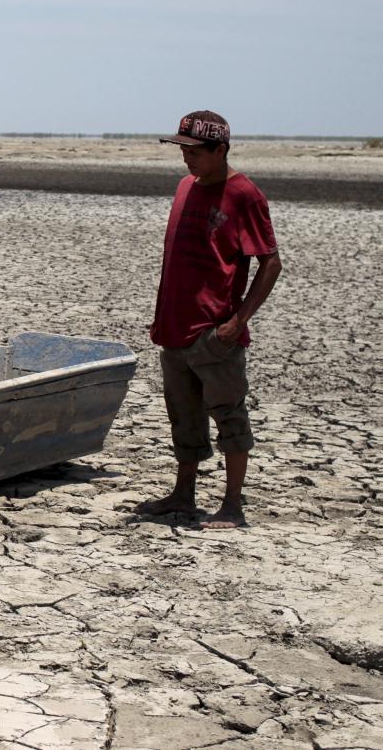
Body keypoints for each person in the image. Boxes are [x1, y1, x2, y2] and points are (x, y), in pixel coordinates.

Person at [138, 111, 283, 529]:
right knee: (184, 417)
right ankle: (182, 495)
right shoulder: (185, 187)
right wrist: (161, 317)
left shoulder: (244, 195)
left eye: (195, 151)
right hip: (175, 330)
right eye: (182, 149)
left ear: (220, 150)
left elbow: (270, 263)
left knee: (229, 417)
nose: (186, 158)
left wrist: (236, 322)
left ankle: (232, 506)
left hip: (215, 333)